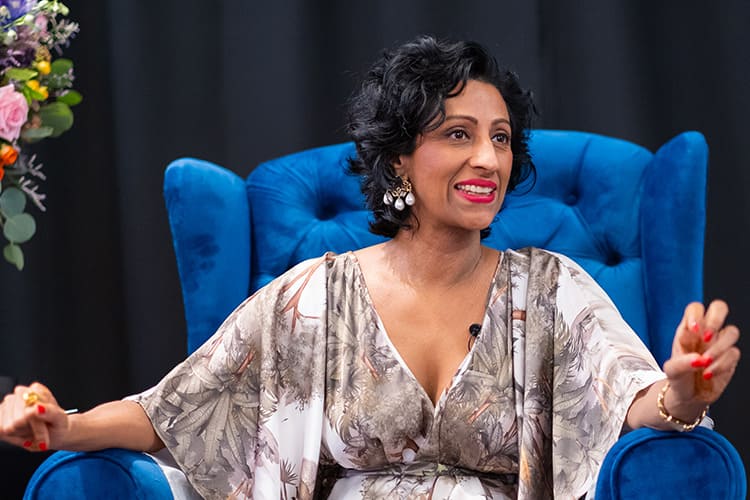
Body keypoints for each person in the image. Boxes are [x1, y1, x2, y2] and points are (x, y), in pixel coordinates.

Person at [0, 36, 741, 499]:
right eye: (459, 135)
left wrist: (681, 391)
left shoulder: (551, 289)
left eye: (501, 138)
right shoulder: (314, 297)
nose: (489, 159)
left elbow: (630, 398)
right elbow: (175, 409)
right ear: (399, 159)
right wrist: (64, 428)